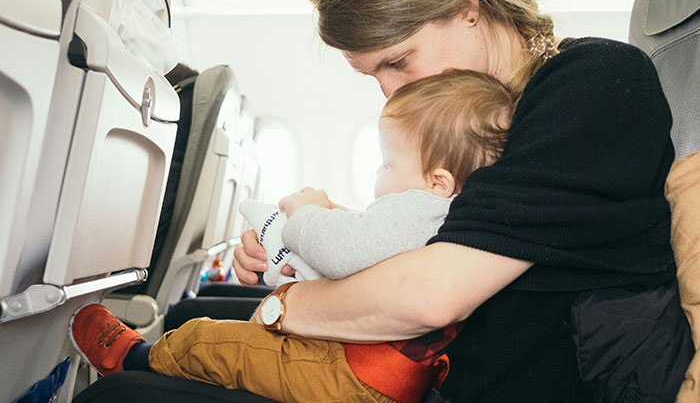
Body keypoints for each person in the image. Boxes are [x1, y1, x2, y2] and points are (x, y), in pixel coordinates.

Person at [234, 0, 694, 402]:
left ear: (466, 8)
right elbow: (445, 229)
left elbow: (433, 295)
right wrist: (307, 238)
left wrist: (284, 305)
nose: (390, 93)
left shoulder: (596, 82)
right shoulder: (465, 117)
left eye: (397, 62)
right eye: (373, 74)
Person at [69, 70, 517, 403]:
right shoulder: (451, 214)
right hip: (372, 374)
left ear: (438, 181)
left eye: (386, 165)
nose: (379, 177)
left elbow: (344, 252)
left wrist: (306, 213)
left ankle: (135, 359)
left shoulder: (422, 207)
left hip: (351, 378)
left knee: (214, 340)